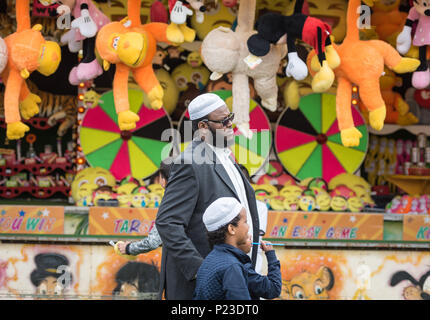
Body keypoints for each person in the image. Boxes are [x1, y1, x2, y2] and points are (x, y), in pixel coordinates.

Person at [155, 93, 261, 299]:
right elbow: (167, 222)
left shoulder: (226, 157)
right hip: (204, 286)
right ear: (203, 126)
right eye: (224, 121)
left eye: (230, 118)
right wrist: (201, 270)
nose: (231, 124)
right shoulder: (190, 162)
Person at [193, 197, 281, 300]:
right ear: (232, 229)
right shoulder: (232, 267)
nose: (248, 227)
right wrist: (271, 255)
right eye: (245, 222)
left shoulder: (210, 260)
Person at [116, 159, 172, 256]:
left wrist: (129, 248)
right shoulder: (195, 194)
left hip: (181, 264)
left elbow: (153, 242)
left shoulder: (170, 201)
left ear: (162, 180)